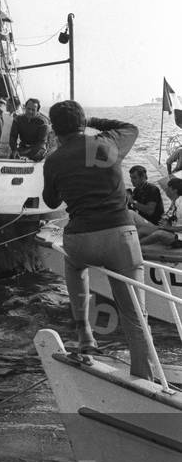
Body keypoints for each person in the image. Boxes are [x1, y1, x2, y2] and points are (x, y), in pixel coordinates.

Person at [42, 100, 154, 380]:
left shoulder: (55, 159)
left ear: (55, 129)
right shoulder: (103, 145)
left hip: (81, 239)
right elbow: (130, 127)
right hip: (120, 237)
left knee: (74, 266)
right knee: (134, 313)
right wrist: (91, 121)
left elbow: (51, 200)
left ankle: (85, 335)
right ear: (83, 123)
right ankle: (143, 375)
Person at [135, 177, 182, 248]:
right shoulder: (174, 201)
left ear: (174, 190)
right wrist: (166, 222)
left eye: (168, 188)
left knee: (158, 234)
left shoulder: (181, 204)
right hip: (171, 231)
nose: (166, 190)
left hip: (178, 238)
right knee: (142, 230)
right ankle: (132, 243)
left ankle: (134, 247)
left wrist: (169, 228)